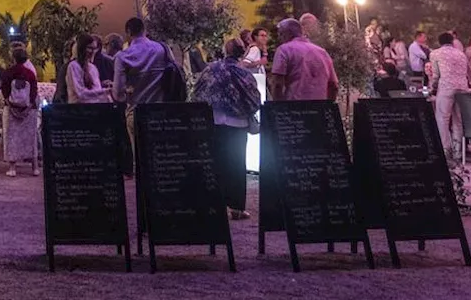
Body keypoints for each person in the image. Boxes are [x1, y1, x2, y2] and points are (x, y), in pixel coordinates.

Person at [193, 39, 261, 219]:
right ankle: (237, 207)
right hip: (238, 125)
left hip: (214, 123)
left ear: (225, 51)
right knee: (237, 165)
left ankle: (216, 205)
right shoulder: (245, 74)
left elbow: (197, 93)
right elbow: (254, 100)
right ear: (242, 52)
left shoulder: (211, 70)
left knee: (216, 164)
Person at [113, 16, 179, 146]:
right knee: (163, 155)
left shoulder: (122, 57)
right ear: (145, 30)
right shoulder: (162, 49)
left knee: (140, 158)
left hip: (137, 114)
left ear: (128, 33)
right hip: (162, 112)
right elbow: (174, 73)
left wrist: (128, 90)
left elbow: (118, 95)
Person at [269, 18, 338, 101]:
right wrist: (328, 105)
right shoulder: (322, 52)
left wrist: (277, 107)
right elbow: (333, 85)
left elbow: (277, 84)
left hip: (295, 107)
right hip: (320, 108)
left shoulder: (284, 50)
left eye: (280, 34)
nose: (279, 38)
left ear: (286, 33)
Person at [429, 31, 471, 164]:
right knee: (458, 121)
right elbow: (467, 72)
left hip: (446, 87)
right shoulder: (461, 54)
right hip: (462, 87)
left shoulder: (435, 53)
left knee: (442, 118)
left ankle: (446, 150)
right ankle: (458, 152)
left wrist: (433, 86)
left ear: (439, 42)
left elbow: (436, 75)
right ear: (452, 41)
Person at [0, 47, 39, 177]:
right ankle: (34, 167)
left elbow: (4, 90)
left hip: (11, 109)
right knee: (30, 138)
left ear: (13, 58)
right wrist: (29, 106)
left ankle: (12, 168)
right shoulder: (30, 73)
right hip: (28, 110)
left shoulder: (9, 72)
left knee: (12, 138)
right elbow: (34, 91)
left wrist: (9, 104)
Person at [66, 33, 110, 103]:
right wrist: (106, 92)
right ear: (82, 48)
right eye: (90, 48)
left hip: (95, 108)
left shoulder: (93, 68)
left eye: (94, 49)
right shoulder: (73, 66)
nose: (92, 52)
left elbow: (97, 89)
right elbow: (80, 93)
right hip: (79, 109)